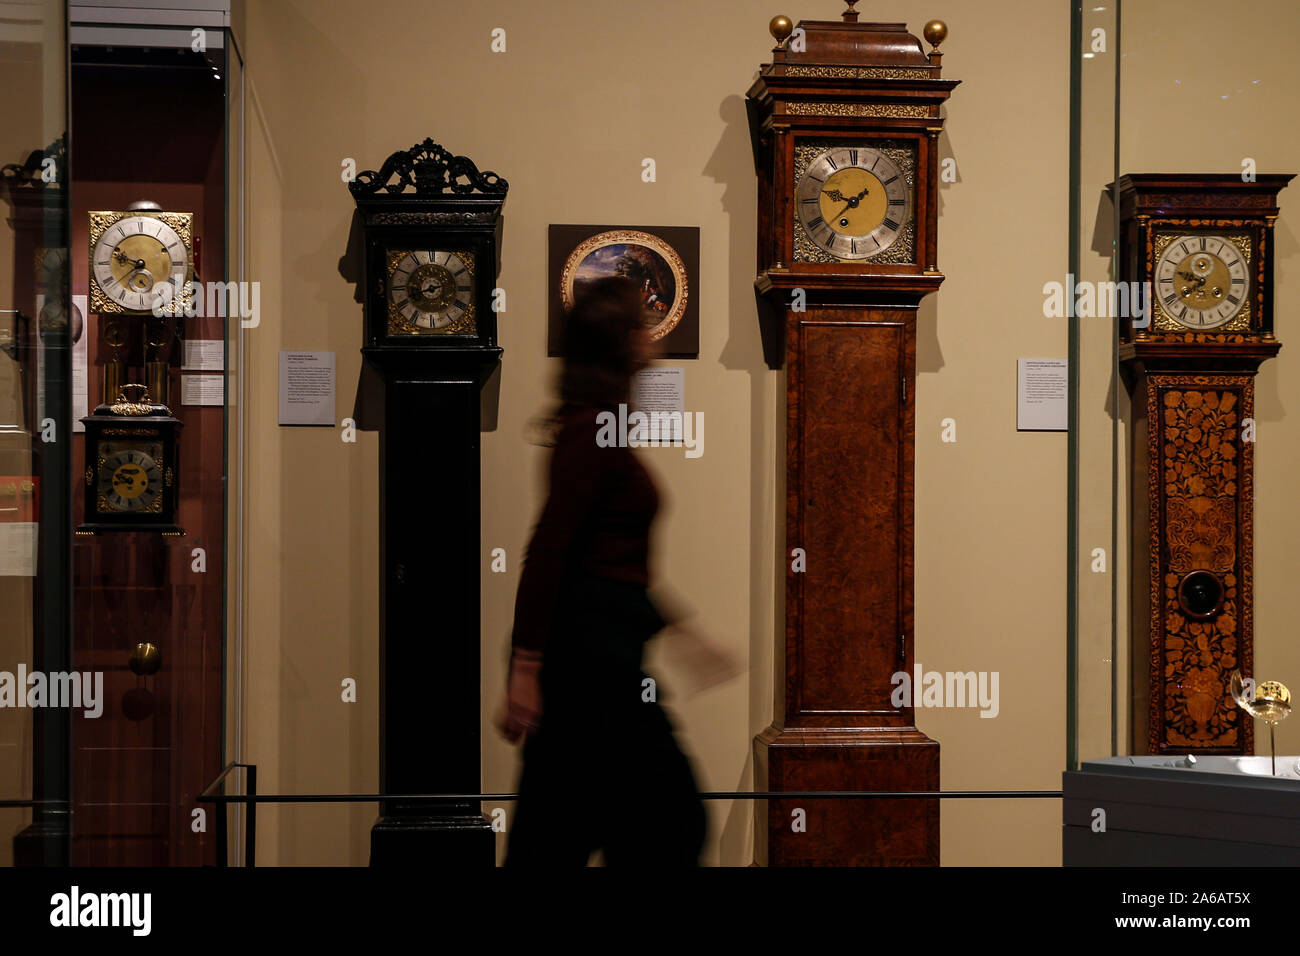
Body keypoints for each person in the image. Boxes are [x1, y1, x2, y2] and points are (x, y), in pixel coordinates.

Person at [494, 276, 726, 867]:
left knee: (572, 829)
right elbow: (549, 550)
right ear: (617, 343)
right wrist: (525, 668)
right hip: (590, 664)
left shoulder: (601, 428)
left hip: (605, 655)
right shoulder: (588, 433)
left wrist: (684, 631)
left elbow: (614, 558)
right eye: (640, 328)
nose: (652, 340)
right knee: (669, 822)